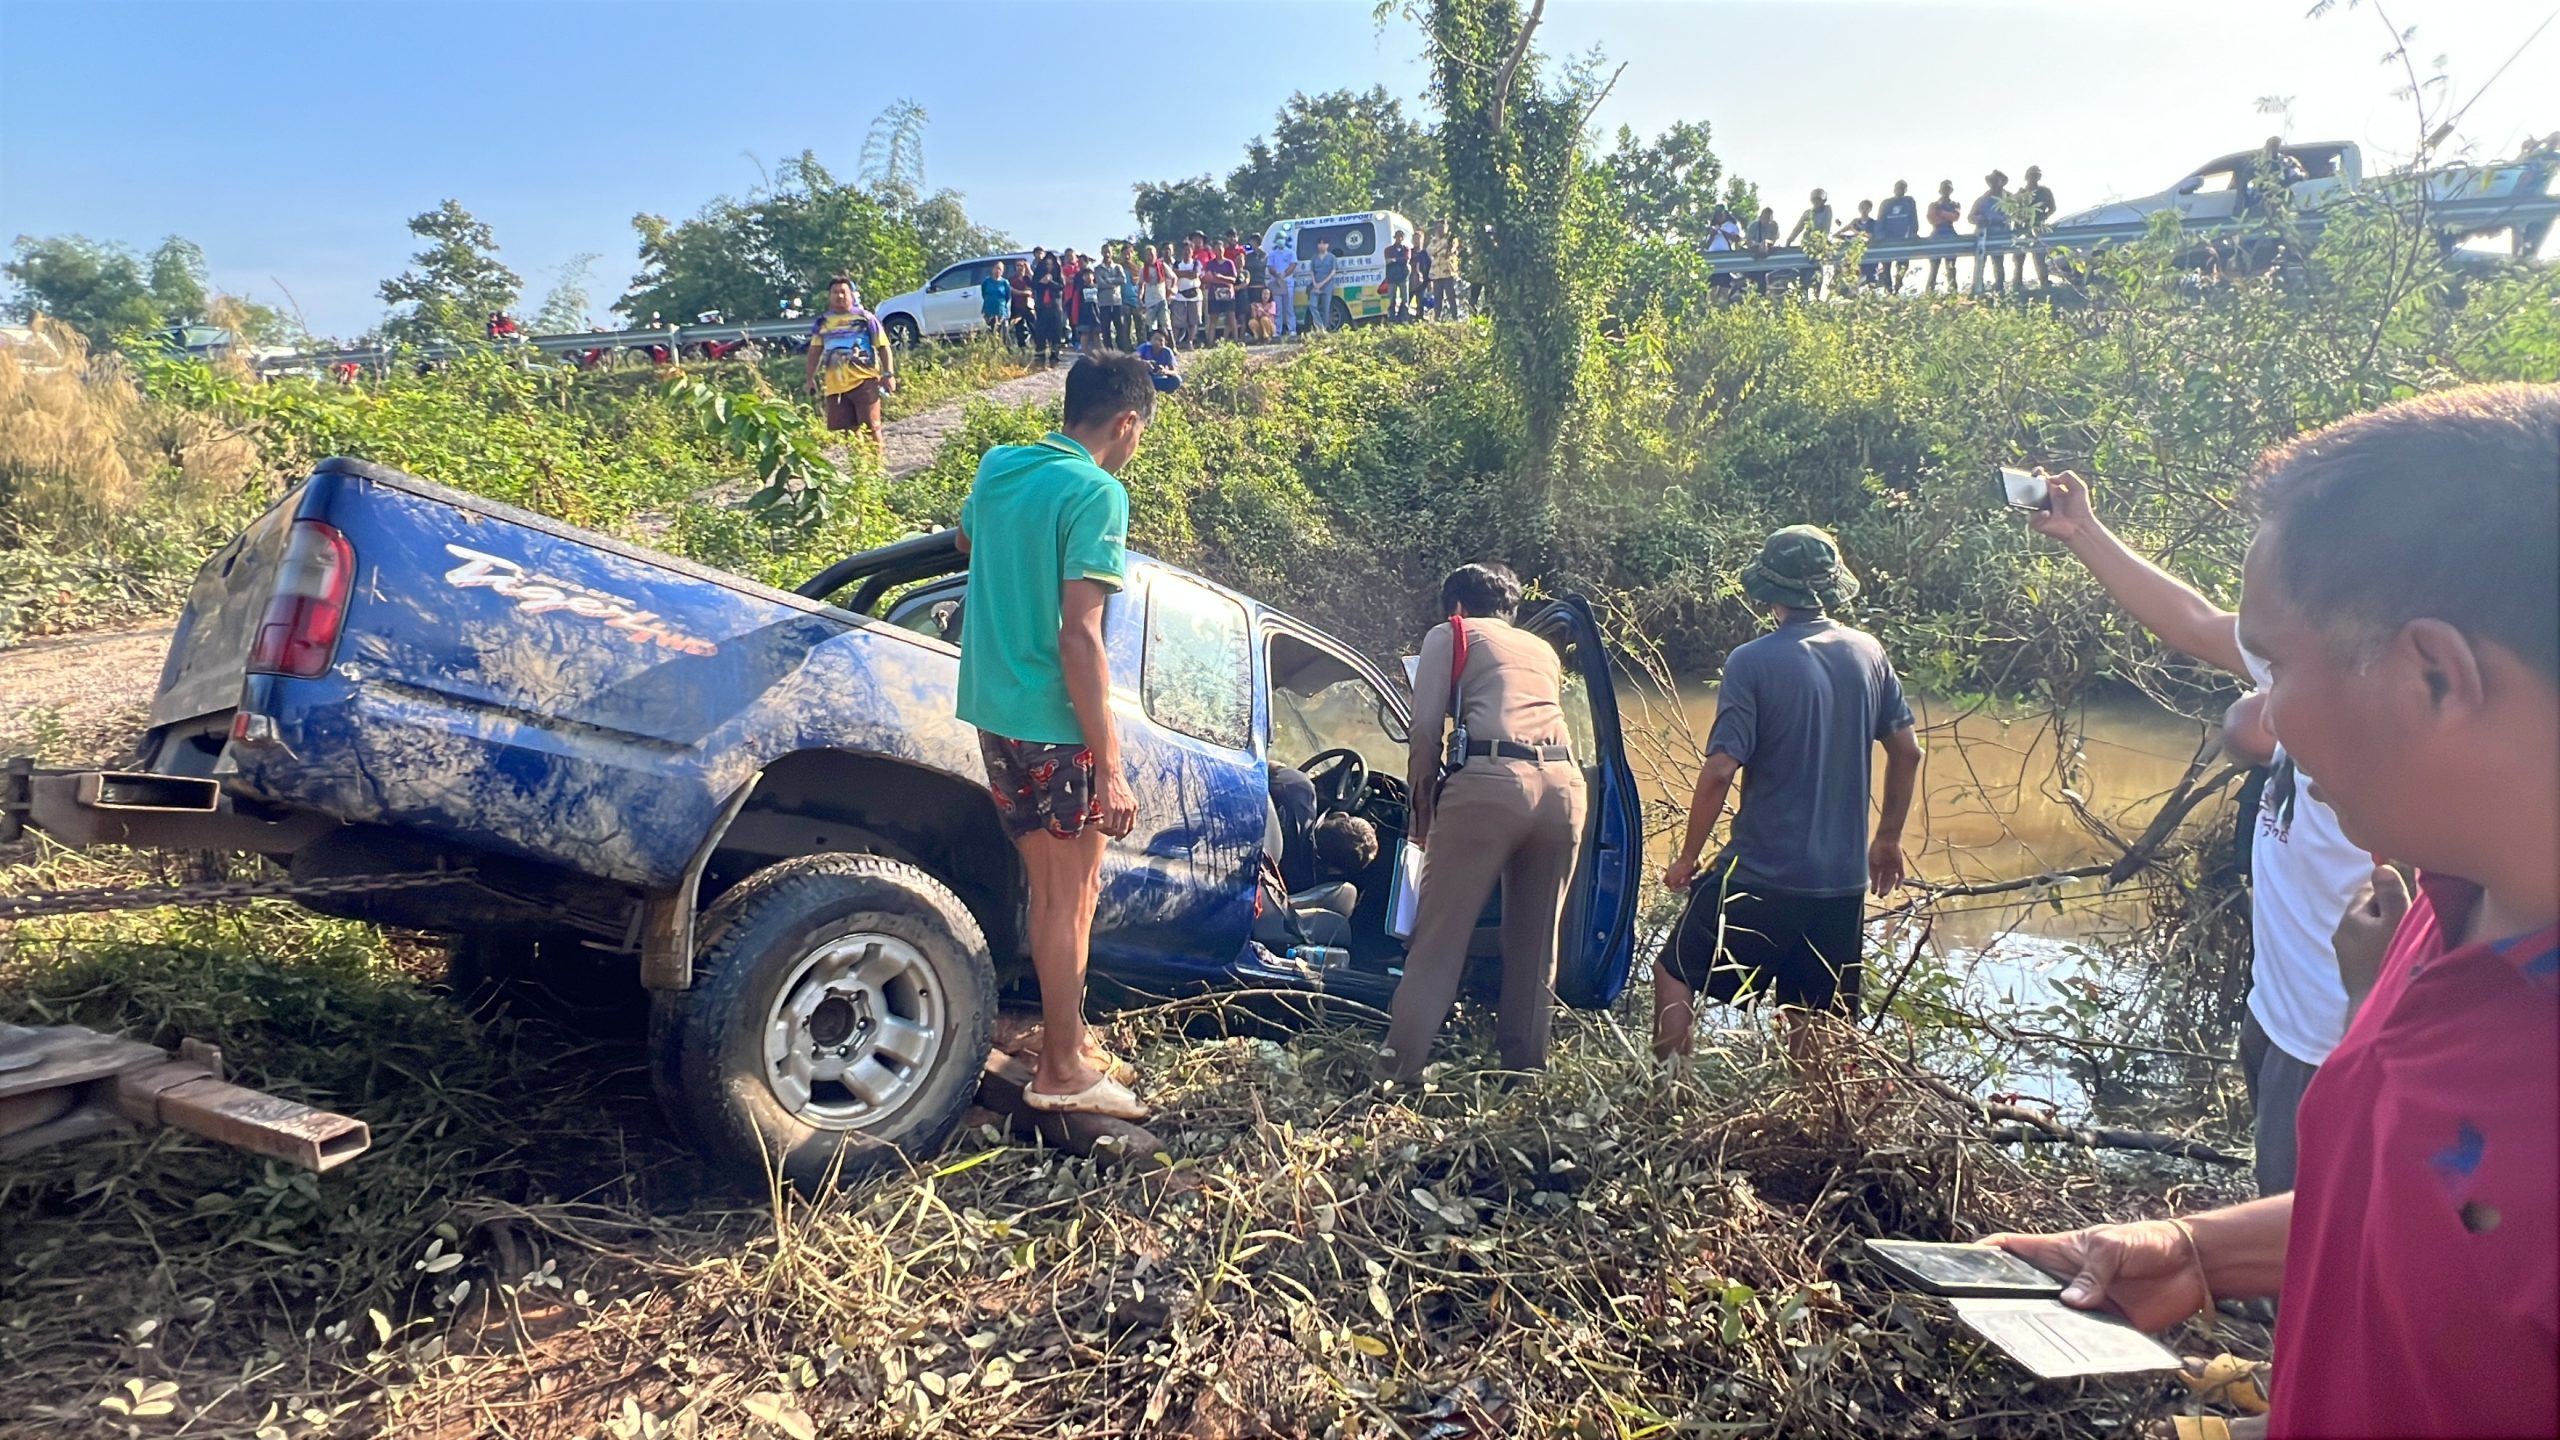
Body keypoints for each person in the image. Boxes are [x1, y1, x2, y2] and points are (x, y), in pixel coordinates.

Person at [1991, 384, 2559, 1439]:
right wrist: (2200, 1251)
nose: (2254, 717)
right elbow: (2439, 1223)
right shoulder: (2443, 906)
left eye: (2277, 667)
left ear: (2433, 677)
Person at [2021, 469, 2368, 1197]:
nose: (2253, 665)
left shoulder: (2380, 712)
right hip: (2279, 1008)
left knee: (2309, 1244)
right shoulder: (2300, 655)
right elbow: (2190, 620)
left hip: (2331, 1039)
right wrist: (2084, 532)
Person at [954, 353, 1162, 1121]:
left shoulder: (1001, 465)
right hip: (1055, 724)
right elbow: (1081, 636)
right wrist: (1110, 767)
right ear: (1125, 423)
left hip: (995, 716)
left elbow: (966, 546)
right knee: (1073, 900)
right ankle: (1065, 1070)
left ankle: (1061, 1041)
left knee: (1050, 891)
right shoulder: (1097, 492)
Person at [1655, 526, 1920, 1069]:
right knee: (1813, 1014)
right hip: (1841, 884)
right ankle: (1814, 1123)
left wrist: (1687, 856)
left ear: (1770, 592)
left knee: (1674, 971)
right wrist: (1887, 838)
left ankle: (1665, 1096)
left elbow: (1721, 769)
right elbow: (1909, 752)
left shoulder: (1751, 661)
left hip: (1761, 874)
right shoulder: (1869, 653)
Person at [1379, 563, 1588, 1084]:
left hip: (1492, 783)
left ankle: (1393, 1078)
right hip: (1564, 788)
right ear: (1511, 611)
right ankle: (1525, 1077)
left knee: (1438, 942)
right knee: (1538, 947)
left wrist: (1421, 813)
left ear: (1455, 606)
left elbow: (1425, 732)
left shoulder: (1450, 633)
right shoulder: (1542, 649)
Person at [804, 275, 896, 448]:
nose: (839, 296)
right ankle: (859, 468)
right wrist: (810, 379)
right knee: (849, 431)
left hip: (865, 380)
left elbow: (883, 346)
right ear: (829, 296)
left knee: (872, 427)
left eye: (843, 292)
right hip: (836, 385)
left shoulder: (865, 318)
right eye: (835, 292)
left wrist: (888, 373)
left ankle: (876, 468)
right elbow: (814, 352)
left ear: (852, 295)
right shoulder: (823, 322)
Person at [1971, 170, 2013, 294]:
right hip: (1984, 234)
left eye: (1996, 181)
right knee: (1980, 262)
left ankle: (2000, 288)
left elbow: (2017, 214)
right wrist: (1979, 219)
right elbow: (1971, 216)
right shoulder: (1982, 199)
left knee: (1998, 262)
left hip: (2001, 233)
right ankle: (1978, 287)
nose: (1993, 183)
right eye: (1992, 181)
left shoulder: (2009, 198)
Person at [2019, 165, 2056, 290]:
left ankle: (2044, 281)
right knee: (2019, 256)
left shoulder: (2045, 191)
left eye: (2036, 175)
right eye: (2032, 175)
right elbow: (2014, 212)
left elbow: (2052, 208)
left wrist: (2044, 216)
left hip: (2039, 225)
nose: (2034, 177)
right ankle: (2018, 283)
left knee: (2040, 255)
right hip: (2023, 227)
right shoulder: (2021, 193)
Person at [1877, 180, 1919, 291]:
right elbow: (1880, 220)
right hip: (1888, 240)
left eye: (1903, 187)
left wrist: (1914, 232)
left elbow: (1913, 218)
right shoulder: (1886, 203)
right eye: (1898, 187)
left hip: (1903, 239)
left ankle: (1898, 286)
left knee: (1903, 266)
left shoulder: (1909, 201)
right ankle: (1888, 290)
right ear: (1894, 189)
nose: (1900, 190)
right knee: (1886, 267)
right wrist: (1880, 235)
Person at [1030, 253, 1069, 366]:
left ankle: (1054, 357)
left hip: (1055, 307)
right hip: (1042, 307)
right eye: (1047, 264)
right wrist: (1041, 282)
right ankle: (1040, 357)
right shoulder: (1039, 273)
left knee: (1056, 333)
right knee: (1041, 333)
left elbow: (1062, 286)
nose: (1049, 266)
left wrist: (1050, 282)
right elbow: (1033, 284)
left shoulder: (1058, 274)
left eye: (1051, 264)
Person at [1924, 181, 1963, 294]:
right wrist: (1946, 216)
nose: (1946, 191)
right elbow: (1932, 218)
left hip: (1950, 235)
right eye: (1944, 189)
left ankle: (1953, 293)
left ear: (1951, 191)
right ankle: (1929, 293)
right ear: (1940, 191)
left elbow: (1955, 217)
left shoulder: (1955, 204)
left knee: (1951, 267)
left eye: (1948, 189)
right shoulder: (1933, 205)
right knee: (1934, 268)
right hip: (1936, 235)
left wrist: (1940, 213)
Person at [1200, 240, 1239, 346]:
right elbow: (1208, 278)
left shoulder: (1229, 263)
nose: (1219, 252)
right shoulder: (1210, 264)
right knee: (1213, 319)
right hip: (1214, 294)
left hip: (1228, 293)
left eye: (1221, 249)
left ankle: (1236, 340)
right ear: (1214, 251)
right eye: (1217, 249)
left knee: (1231, 316)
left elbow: (1233, 279)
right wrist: (1219, 280)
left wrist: (1221, 278)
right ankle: (1210, 342)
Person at [1838, 199, 1880, 289]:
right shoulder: (1855, 222)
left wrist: (1855, 231)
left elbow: (1871, 236)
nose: (1863, 209)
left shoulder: (1873, 223)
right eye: (1862, 207)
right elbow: (1840, 232)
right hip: (1856, 254)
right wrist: (1841, 234)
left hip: (1869, 254)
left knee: (1871, 279)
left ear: (1870, 209)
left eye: (1866, 207)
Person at [1094, 247, 1130, 351]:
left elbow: (1123, 280)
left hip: (1117, 302)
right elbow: (1100, 283)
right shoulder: (1098, 268)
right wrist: (1114, 284)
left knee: (1120, 327)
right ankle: (1108, 351)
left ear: (1112, 253)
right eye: (1105, 252)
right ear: (1101, 253)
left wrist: (1109, 280)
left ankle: (1122, 350)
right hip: (1104, 303)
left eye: (1109, 252)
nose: (1107, 254)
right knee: (1105, 328)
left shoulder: (1118, 267)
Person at [1266, 231, 1298, 339]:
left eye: (1282, 238)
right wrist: (1276, 273)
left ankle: (1292, 329)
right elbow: (1270, 267)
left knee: (1289, 307)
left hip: (1288, 282)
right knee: (1278, 309)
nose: (1280, 240)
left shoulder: (1290, 253)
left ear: (1285, 240)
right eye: (1279, 238)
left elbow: (1293, 265)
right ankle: (1277, 331)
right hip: (1276, 283)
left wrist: (1284, 273)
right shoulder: (1272, 254)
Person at [1172, 238, 1203, 348]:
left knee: (1193, 321)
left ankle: (1190, 341)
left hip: (1194, 295)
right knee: (1177, 322)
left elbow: (1195, 274)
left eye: (1189, 250)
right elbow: (1175, 274)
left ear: (1192, 251)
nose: (1186, 252)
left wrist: (1181, 274)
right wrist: (1186, 274)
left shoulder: (1196, 263)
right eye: (1185, 250)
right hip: (1180, 295)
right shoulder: (1177, 263)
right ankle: (1174, 342)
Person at [1139, 243, 1173, 340]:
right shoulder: (1143, 269)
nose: (1150, 257)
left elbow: (1173, 277)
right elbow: (1141, 285)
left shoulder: (1162, 266)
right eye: (1147, 255)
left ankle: (1172, 346)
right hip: (1150, 301)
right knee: (1149, 325)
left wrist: (1171, 290)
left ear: (1156, 254)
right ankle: (1150, 345)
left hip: (1161, 299)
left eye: (1152, 254)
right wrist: (1140, 298)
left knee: (1166, 323)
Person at [1431, 223, 1463, 320]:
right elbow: (1430, 251)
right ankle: (1437, 317)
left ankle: (1455, 317)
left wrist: (1441, 250)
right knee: (1437, 297)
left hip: (1448, 272)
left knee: (1451, 296)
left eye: (1442, 227)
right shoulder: (1434, 240)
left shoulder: (1451, 239)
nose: (1440, 230)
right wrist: (1440, 250)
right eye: (1438, 228)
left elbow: (1452, 250)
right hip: (1436, 273)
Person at [1307, 237, 1338, 332]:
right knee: (1312, 305)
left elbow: (1333, 272)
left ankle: (1325, 330)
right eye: (1320, 243)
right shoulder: (1314, 258)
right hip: (1315, 286)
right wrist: (1315, 283)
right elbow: (1312, 272)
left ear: (1328, 245)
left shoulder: (1332, 257)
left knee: (1326, 308)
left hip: (1327, 286)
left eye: (1324, 243)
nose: (1322, 245)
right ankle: (1320, 327)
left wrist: (1322, 283)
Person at [1009, 258, 1037, 349]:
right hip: (1017, 307)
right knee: (1019, 329)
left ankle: (1039, 347)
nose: (1020, 268)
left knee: (1034, 327)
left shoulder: (1029, 278)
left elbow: (1034, 287)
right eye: (1018, 266)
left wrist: (1028, 269)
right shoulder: (1012, 279)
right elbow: (1012, 291)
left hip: (1029, 307)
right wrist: (1024, 293)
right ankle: (1023, 348)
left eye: (1022, 265)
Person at [980, 263, 1012, 340]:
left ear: (1002, 271)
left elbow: (1008, 296)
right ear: (993, 269)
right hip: (989, 310)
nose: (997, 271)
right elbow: (983, 294)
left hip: (1001, 311)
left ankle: (1007, 350)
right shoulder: (986, 281)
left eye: (1000, 269)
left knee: (1003, 334)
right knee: (991, 334)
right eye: (996, 268)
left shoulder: (1005, 282)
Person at [1384, 228, 1411, 320]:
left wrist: (1394, 259)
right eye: (1397, 236)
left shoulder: (1406, 249)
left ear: (1403, 238)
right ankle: (1391, 318)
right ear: (1394, 237)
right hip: (1392, 277)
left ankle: (1404, 317)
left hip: (1403, 276)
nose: (1399, 238)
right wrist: (1398, 259)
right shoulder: (1388, 249)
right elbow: (1387, 261)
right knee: (1391, 299)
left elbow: (1406, 259)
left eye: (1401, 237)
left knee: (1405, 299)